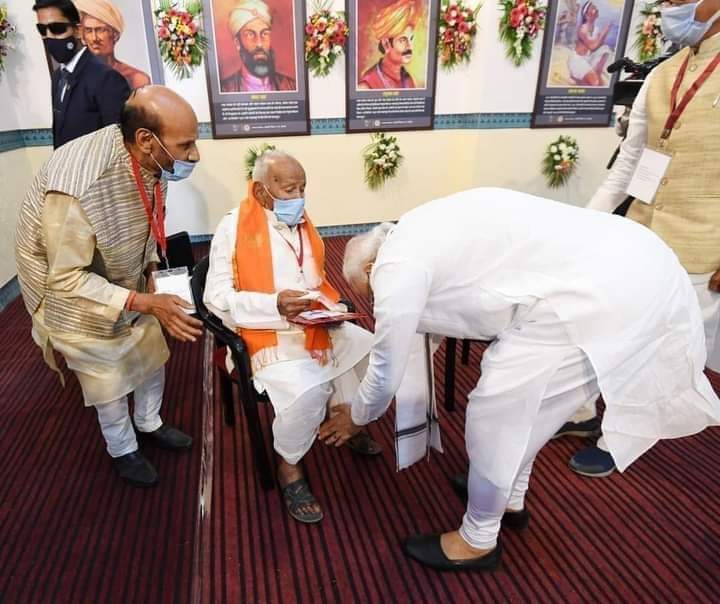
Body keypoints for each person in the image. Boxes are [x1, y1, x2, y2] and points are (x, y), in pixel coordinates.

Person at [320, 188, 720, 571]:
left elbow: (388, 367)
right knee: (534, 408)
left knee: (496, 413)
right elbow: (423, 334)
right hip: (630, 267)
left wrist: (357, 415)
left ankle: (477, 540)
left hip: (599, 295)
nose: (374, 305)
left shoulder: (394, 269)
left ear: (372, 269)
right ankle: (508, 498)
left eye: (368, 296)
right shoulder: (414, 233)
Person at [558, 0, 720, 477]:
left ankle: (619, 439)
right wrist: (586, 227)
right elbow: (629, 164)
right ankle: (584, 412)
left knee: (663, 348)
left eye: (680, 0)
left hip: (700, 243)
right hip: (641, 233)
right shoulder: (666, 71)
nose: (672, 8)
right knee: (601, 322)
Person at [15, 86, 204, 488]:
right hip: (70, 294)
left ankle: (150, 423)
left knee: (152, 351)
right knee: (108, 379)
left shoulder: (154, 160)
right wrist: (141, 299)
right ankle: (123, 449)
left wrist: (152, 271)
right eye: (186, 144)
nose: (194, 155)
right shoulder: (78, 184)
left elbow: (150, 222)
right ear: (145, 139)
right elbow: (64, 276)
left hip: (126, 275)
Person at [203, 150, 381, 524]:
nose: (298, 197)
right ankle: (289, 464)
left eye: (303, 188)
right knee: (310, 389)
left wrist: (327, 310)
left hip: (313, 326)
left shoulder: (302, 223)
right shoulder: (232, 228)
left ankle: (344, 418)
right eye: (289, 189)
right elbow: (215, 299)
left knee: (376, 351)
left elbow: (313, 283)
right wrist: (273, 306)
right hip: (265, 335)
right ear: (261, 190)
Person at [33, 0, 131, 148]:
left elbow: (121, 143)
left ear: (78, 30)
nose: (49, 36)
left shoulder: (106, 78)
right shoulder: (58, 77)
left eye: (57, 28)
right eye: (42, 30)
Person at [220, 0, 296, 93]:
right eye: (250, 35)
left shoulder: (291, 86)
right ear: (237, 43)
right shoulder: (225, 90)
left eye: (264, 33)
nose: (259, 43)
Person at [75, 0, 152, 89]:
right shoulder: (76, 79)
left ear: (115, 34)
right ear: (83, 37)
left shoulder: (136, 78)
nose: (94, 38)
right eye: (89, 31)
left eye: (100, 30)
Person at [358, 0, 418, 90]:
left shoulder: (409, 81)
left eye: (411, 39)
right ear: (386, 44)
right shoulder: (367, 85)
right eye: (402, 40)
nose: (409, 46)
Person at [568, 1, 613, 86]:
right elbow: (592, 46)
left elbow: (599, 45)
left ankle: (597, 72)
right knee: (595, 83)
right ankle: (576, 78)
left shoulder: (596, 28)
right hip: (578, 60)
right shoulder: (583, 28)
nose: (596, 9)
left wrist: (603, 34)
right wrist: (604, 33)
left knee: (606, 49)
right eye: (593, 8)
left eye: (595, 7)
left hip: (588, 58)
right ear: (586, 14)